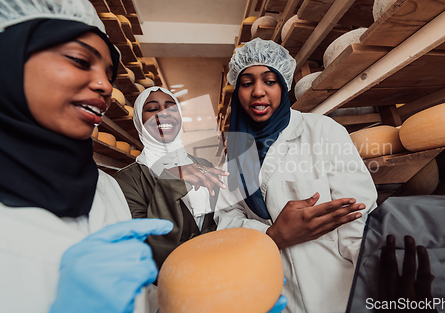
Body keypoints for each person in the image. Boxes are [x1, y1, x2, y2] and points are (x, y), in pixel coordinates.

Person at [0, 0, 173, 312]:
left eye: (109, 73)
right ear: (9, 55)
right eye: (81, 60)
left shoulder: (104, 187)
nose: (105, 85)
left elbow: (135, 296)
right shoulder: (127, 179)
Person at [214, 38, 378, 312]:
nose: (258, 92)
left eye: (269, 81)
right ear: (237, 91)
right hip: (270, 292)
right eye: (246, 83)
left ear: (284, 85)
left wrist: (378, 279)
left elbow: (357, 219)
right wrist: (272, 235)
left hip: (339, 292)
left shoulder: (323, 131)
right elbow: (226, 219)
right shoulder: (232, 153)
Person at [114, 87, 229, 271]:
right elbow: (147, 246)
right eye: (152, 109)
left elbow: (222, 217)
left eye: (171, 108)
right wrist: (169, 183)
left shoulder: (202, 164)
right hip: (169, 281)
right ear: (139, 121)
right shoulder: (127, 180)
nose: (164, 114)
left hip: (214, 268)